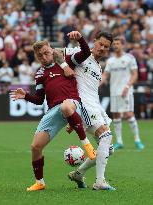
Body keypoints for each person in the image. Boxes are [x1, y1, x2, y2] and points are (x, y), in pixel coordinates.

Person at [10, 31, 96, 191]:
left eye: (46, 53)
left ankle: (87, 146)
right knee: (35, 147)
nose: (44, 57)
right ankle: (40, 182)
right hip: (52, 111)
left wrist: (80, 39)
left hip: (71, 103)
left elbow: (86, 53)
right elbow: (39, 99)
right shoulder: (40, 74)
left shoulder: (68, 61)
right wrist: (25, 96)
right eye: (40, 55)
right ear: (36, 57)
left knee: (65, 106)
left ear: (52, 50)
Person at [60, 31, 115, 190]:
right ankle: (100, 181)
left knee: (108, 148)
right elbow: (54, 53)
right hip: (83, 104)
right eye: (100, 44)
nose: (102, 48)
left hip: (94, 106)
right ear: (94, 41)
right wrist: (64, 66)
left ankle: (79, 173)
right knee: (106, 136)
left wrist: (74, 118)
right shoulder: (79, 54)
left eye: (106, 46)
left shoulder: (98, 67)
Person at [101, 36, 144, 150]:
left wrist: (127, 86)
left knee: (129, 114)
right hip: (114, 92)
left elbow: (135, 74)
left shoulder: (129, 58)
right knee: (116, 116)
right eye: (114, 44)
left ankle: (137, 140)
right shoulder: (110, 60)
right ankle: (119, 141)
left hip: (126, 91)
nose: (115, 46)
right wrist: (98, 83)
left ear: (123, 45)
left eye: (118, 43)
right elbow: (105, 75)